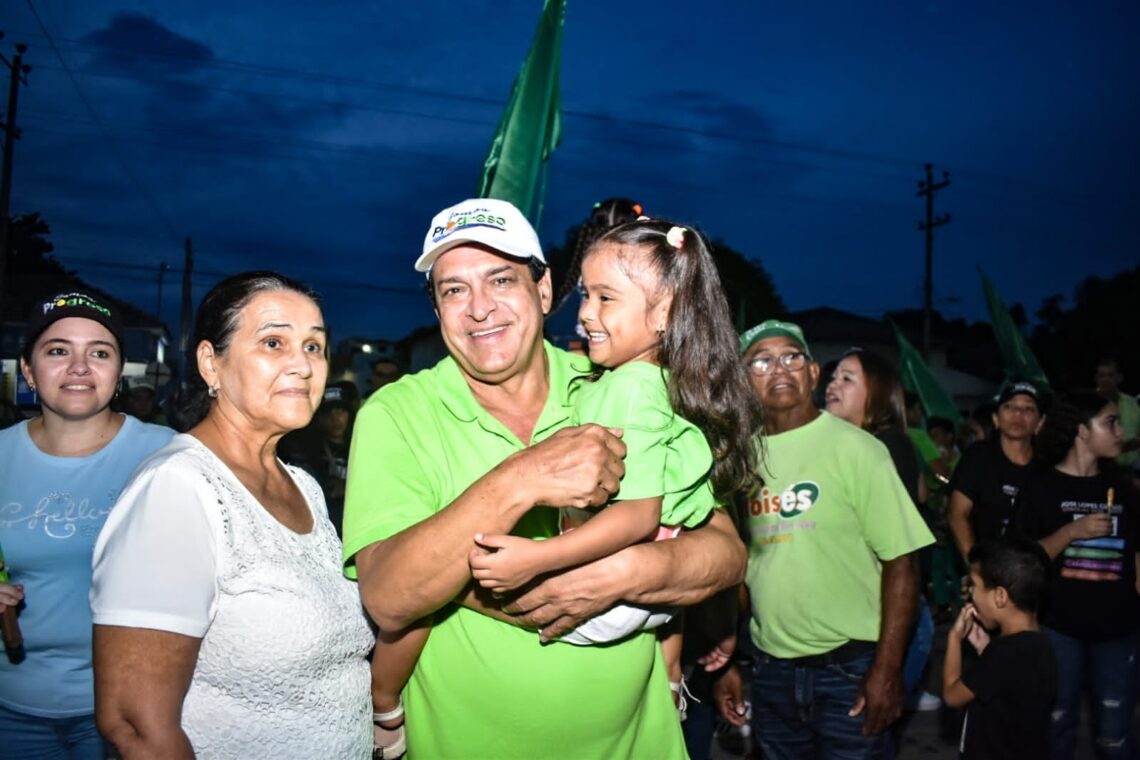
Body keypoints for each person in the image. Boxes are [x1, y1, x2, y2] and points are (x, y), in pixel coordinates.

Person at [343, 198, 747, 759]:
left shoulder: (617, 382)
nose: (479, 308)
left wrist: (622, 572)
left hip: (640, 745)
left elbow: (727, 554)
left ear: (544, 289)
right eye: (453, 290)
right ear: (437, 309)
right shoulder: (396, 413)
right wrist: (520, 479)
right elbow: (388, 598)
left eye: (501, 279)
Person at [90, 272, 374, 759]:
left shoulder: (303, 486)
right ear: (210, 363)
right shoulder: (178, 488)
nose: (302, 367)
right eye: (273, 343)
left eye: (314, 347)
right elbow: (136, 725)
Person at [716, 320, 934, 757]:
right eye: (761, 361)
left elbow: (903, 562)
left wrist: (888, 670)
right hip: (771, 671)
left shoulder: (859, 449)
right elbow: (733, 570)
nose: (778, 368)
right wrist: (727, 660)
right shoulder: (735, 463)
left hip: (851, 669)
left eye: (791, 357)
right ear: (743, 382)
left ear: (813, 373)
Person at [0, 291, 174, 760]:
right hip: (10, 711)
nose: (79, 367)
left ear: (118, 373)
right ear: (29, 370)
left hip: (136, 712)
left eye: (99, 352)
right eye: (58, 351)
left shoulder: (169, 456)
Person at [1014, 389, 1139, 760]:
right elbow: (1023, 561)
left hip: (1119, 630)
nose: (1120, 431)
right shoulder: (1041, 488)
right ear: (1082, 431)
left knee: (1115, 736)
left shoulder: (1125, 489)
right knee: (1056, 725)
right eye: (1110, 422)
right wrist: (1072, 532)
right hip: (1058, 628)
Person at [824, 347, 941, 712]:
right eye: (833, 376)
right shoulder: (844, 444)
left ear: (876, 394)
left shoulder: (887, 445)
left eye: (847, 378)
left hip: (888, 617)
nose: (833, 384)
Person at [941, 538, 1057, 760]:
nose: (970, 593)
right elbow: (1007, 686)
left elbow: (952, 695)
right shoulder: (1041, 644)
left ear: (1000, 596)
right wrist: (985, 647)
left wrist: (954, 639)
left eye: (974, 585)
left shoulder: (1003, 652)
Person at [948, 380, 1044, 563]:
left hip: (1030, 570)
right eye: (1009, 407)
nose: (1018, 414)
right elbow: (957, 514)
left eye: (1028, 409)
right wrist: (976, 569)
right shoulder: (979, 456)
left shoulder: (1047, 464)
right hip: (984, 563)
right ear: (995, 419)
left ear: (1040, 423)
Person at [1095, 357, 1140, 471]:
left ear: (1119, 378)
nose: (1106, 379)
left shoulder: (1131, 402)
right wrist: (1121, 447)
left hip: (1132, 467)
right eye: (1102, 375)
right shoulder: (1088, 404)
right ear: (1096, 378)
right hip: (1102, 469)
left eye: (1110, 375)